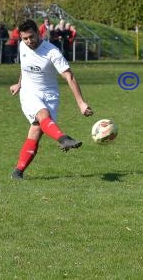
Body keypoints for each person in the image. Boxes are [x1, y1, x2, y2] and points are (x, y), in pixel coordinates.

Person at [9, 19, 93, 180]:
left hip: (50, 95)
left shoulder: (52, 52)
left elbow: (69, 76)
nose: (28, 41)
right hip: (29, 92)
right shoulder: (22, 46)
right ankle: (63, 139)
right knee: (42, 114)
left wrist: (81, 103)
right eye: (25, 38)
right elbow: (24, 67)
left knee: (36, 130)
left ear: (38, 32)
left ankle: (18, 172)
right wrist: (19, 84)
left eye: (31, 37)